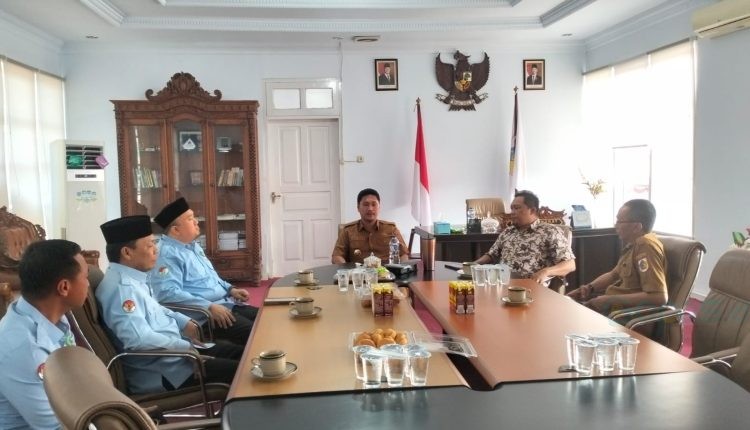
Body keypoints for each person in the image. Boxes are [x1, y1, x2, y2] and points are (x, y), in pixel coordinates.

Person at [97, 215, 241, 395]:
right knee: (244, 371)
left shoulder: (132, 277)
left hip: (179, 354)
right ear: (127, 253)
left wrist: (182, 321)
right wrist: (184, 347)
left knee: (242, 353)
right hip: (167, 371)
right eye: (150, 245)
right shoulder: (121, 289)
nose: (156, 250)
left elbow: (156, 308)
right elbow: (138, 339)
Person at [0, 240, 89, 429]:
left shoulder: (55, 319)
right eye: (85, 277)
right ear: (64, 287)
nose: (88, 284)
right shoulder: (23, 348)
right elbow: (56, 426)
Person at [150, 198, 257, 345]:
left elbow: (211, 278)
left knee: (266, 318)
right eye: (190, 219)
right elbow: (167, 294)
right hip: (206, 316)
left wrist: (230, 289)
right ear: (175, 230)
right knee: (257, 333)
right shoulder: (167, 255)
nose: (196, 221)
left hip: (226, 303)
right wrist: (208, 306)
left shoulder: (192, 246)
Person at [567, 199, 667, 315]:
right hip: (615, 310)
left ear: (636, 227)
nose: (616, 226)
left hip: (626, 316)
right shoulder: (633, 245)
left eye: (620, 221)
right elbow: (613, 275)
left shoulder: (645, 246)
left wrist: (609, 300)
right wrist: (589, 288)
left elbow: (659, 297)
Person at [473, 190, 575, 284]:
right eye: (512, 208)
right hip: (501, 283)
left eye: (517, 208)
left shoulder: (550, 231)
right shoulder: (508, 231)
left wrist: (546, 271)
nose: (512, 212)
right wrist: (473, 265)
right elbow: (491, 255)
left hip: (530, 287)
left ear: (532, 210)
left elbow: (570, 265)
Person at [332, 188, 409, 264]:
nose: (370, 208)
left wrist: (401, 269)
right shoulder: (348, 231)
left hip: (386, 271)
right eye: (366, 204)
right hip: (358, 271)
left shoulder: (391, 229)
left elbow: (404, 254)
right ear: (358, 208)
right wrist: (347, 270)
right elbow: (337, 256)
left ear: (379, 207)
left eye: (374, 204)